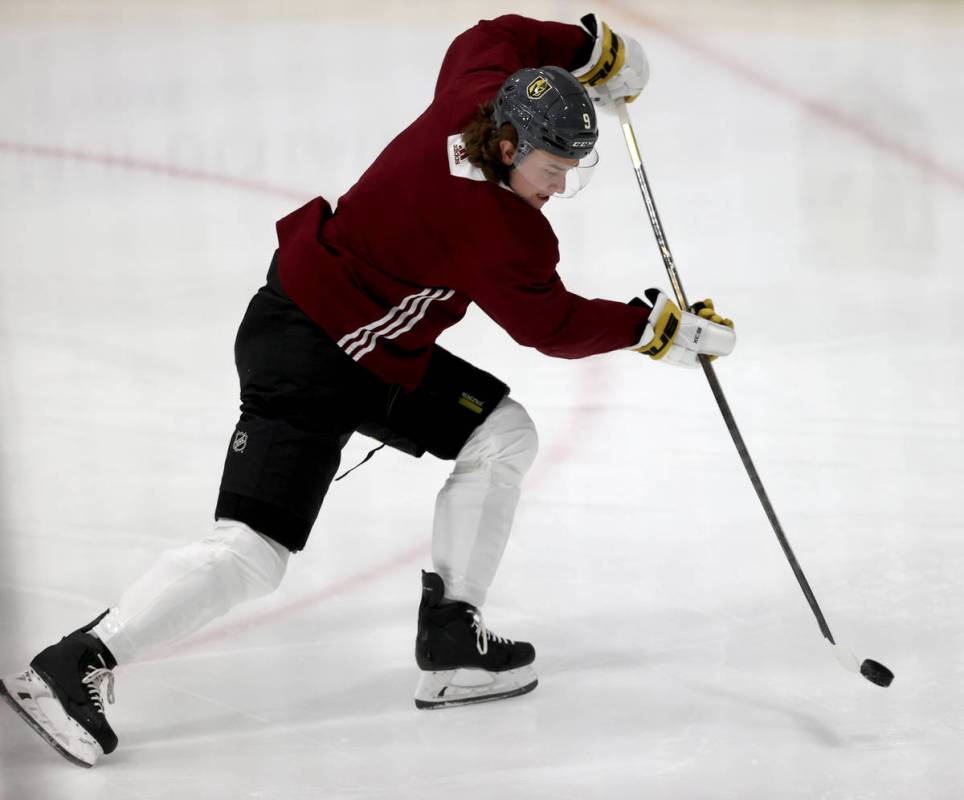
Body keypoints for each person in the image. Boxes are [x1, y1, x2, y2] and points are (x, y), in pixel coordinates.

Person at [0, 13, 735, 768]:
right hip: (310, 352)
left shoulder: (475, 90)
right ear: (509, 146)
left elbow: (498, 33)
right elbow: (550, 325)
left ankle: (451, 637)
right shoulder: (499, 227)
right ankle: (73, 664)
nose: (560, 185)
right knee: (252, 554)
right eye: (554, 167)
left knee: (502, 432)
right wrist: (656, 329)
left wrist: (589, 50)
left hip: (370, 349)